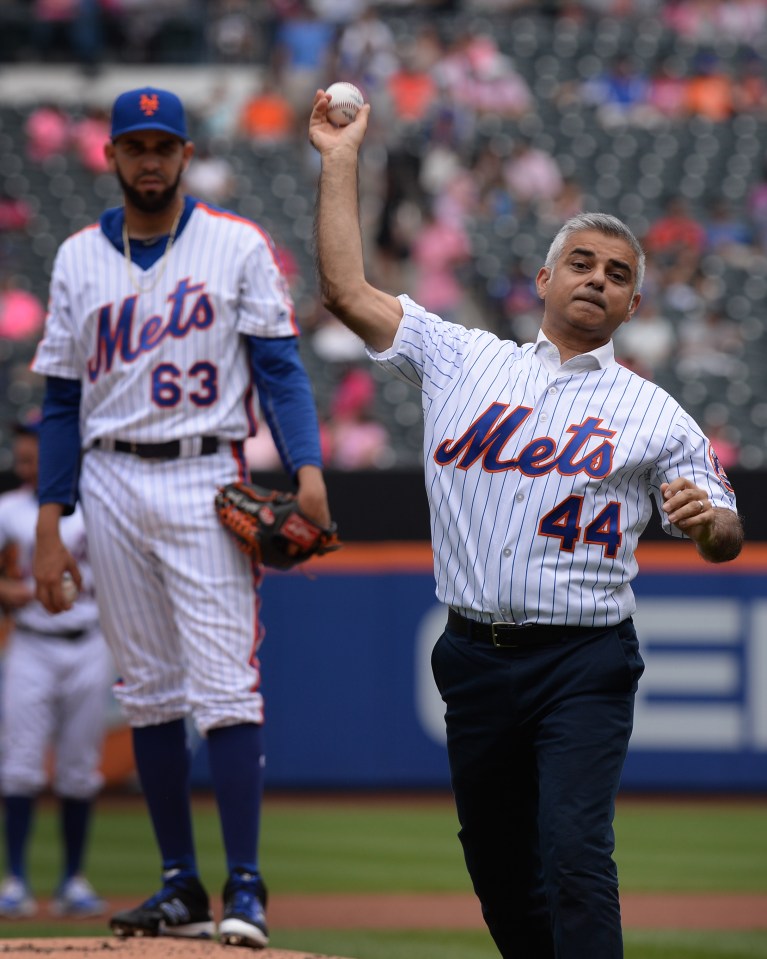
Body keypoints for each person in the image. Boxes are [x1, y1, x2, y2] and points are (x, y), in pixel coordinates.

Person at [309, 90, 744, 959]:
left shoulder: (653, 411)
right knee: (500, 868)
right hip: (471, 653)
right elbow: (344, 289)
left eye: (618, 275)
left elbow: (724, 526)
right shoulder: (459, 355)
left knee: (577, 853)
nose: (597, 278)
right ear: (542, 279)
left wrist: (711, 522)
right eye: (580, 262)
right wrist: (340, 155)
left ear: (630, 308)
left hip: (583, 658)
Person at [31, 86, 332, 949]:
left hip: (206, 470)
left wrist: (306, 469)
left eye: (165, 145)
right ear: (113, 157)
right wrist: (54, 517)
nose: (151, 159)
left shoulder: (234, 243)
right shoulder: (77, 258)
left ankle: (244, 884)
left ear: (188, 155)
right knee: (150, 692)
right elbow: (59, 401)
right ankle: (177, 882)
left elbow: (278, 369)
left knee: (224, 686)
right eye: (137, 146)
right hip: (110, 479)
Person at [0, 415, 111, 920]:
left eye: (36, 454)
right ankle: (16, 879)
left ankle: (72, 880)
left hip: (89, 641)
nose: (28, 463)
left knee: (78, 769)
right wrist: (21, 592)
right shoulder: (9, 511)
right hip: (31, 642)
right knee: (20, 764)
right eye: (23, 455)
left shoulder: (96, 507)